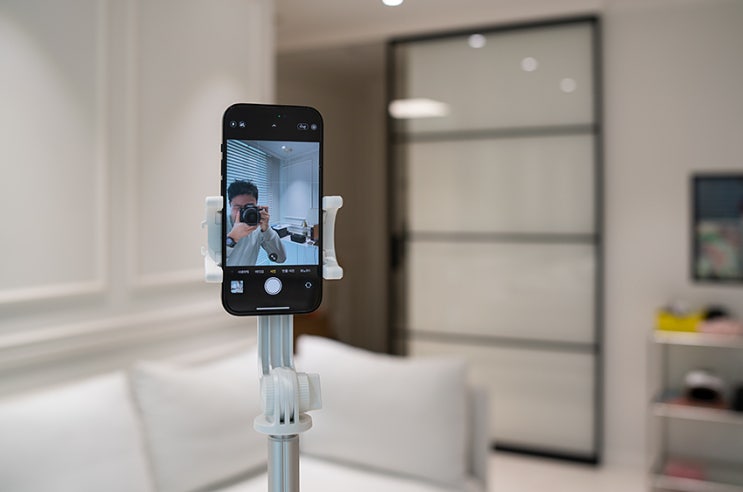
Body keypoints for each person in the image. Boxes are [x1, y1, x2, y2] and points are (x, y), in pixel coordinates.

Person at [225, 180, 286, 266]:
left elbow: (281, 258)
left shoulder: (258, 227)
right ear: (229, 204)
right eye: (238, 207)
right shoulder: (220, 224)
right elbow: (213, 263)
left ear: (256, 205)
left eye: (248, 207)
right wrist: (233, 237)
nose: (244, 213)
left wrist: (267, 230)